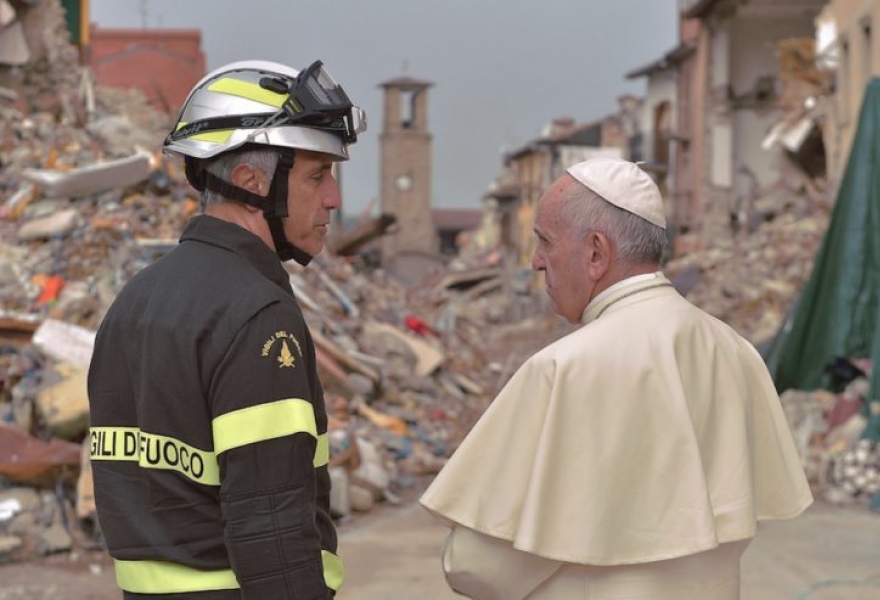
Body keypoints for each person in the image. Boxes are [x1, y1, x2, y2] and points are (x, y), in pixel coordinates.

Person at [419, 158, 813, 600]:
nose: (535, 262)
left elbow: (481, 568)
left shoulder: (564, 369)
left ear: (596, 253)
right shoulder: (734, 350)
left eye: (545, 242)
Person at [87, 58, 366, 599]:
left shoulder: (135, 301)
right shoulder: (258, 318)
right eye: (316, 175)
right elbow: (273, 530)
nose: (333, 197)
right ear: (250, 182)